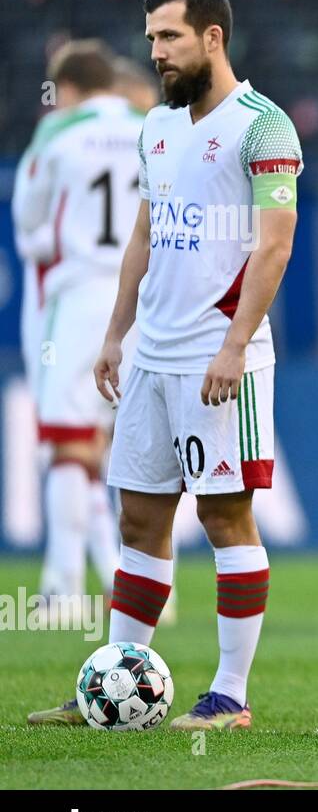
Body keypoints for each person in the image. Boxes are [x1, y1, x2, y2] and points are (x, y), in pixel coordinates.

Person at [28, 0, 303, 731]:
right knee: (139, 523)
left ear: (213, 37)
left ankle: (230, 695)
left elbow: (274, 247)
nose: (155, 52)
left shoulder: (265, 127)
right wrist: (117, 334)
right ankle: (111, 683)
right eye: (151, 38)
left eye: (170, 37)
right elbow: (145, 236)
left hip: (221, 361)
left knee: (223, 518)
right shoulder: (156, 126)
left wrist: (235, 343)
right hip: (151, 356)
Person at [11, 40, 140, 622]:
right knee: (118, 446)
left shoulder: (57, 133)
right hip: (142, 300)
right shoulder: (151, 129)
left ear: (64, 87)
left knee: (67, 440)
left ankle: (63, 589)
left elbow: (29, 222)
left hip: (81, 295)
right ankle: (139, 586)